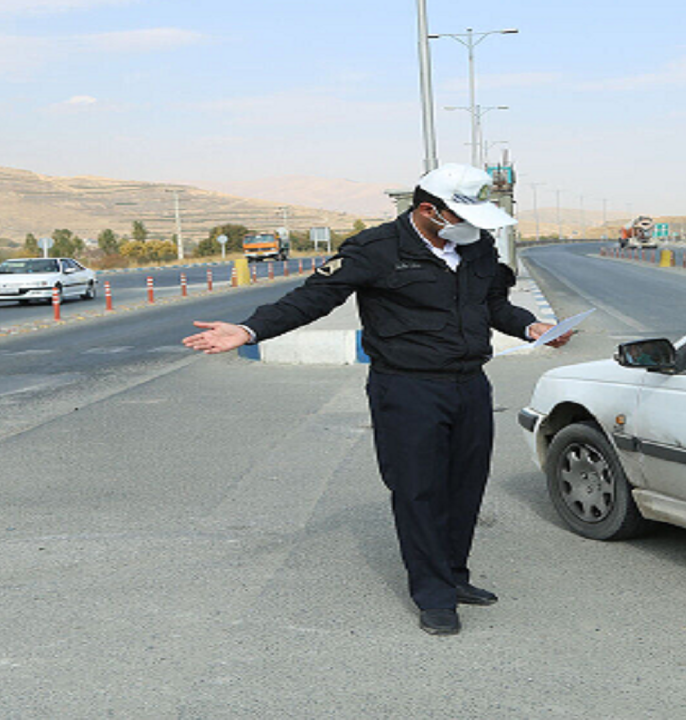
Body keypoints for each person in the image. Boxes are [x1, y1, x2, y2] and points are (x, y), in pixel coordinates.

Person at [182, 163, 571, 636]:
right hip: (407, 387)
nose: (474, 228)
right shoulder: (376, 249)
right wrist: (249, 330)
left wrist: (529, 325)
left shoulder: (478, 246)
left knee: (465, 486)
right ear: (429, 210)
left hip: (470, 383)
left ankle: (453, 575)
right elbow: (311, 298)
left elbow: (494, 305)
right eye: (463, 216)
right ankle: (433, 595)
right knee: (419, 490)